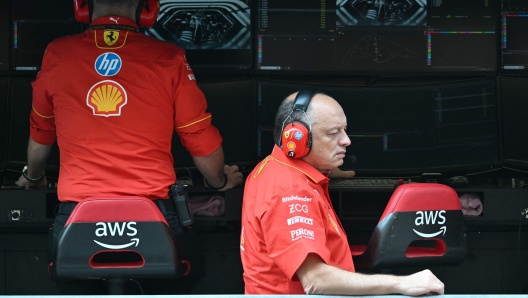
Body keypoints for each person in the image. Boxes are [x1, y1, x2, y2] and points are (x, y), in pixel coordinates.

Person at [16, 0, 243, 294]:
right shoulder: (169, 57)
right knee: (191, 271)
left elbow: (41, 132)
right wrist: (221, 180)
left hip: (75, 224)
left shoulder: (57, 53)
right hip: (157, 223)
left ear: (82, 7)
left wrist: (34, 178)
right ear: (147, 8)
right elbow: (198, 137)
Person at [240, 89, 444, 295]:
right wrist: (403, 284)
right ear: (297, 137)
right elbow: (315, 280)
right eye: (333, 133)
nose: (346, 140)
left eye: (344, 130)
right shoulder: (290, 191)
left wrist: (322, 167)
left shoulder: (273, 167)